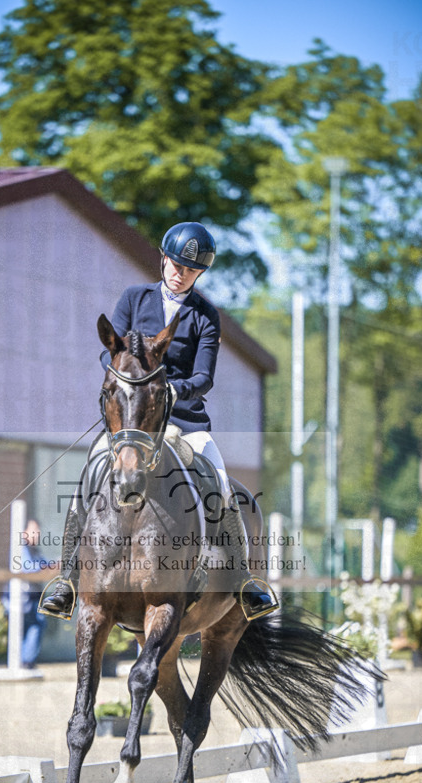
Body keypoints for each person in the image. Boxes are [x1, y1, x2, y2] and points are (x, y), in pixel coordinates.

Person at [40, 221, 277, 621]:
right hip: (134, 419)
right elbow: (110, 353)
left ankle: (243, 580)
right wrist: (131, 382)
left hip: (183, 420)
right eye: (176, 265)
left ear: (199, 274)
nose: (181, 274)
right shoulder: (134, 299)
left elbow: (204, 378)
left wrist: (170, 391)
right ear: (163, 259)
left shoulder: (205, 315)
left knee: (220, 482)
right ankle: (66, 580)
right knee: (88, 476)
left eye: (191, 270)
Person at [3, 518, 48, 668]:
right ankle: (25, 662)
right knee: (34, 625)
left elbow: (43, 564)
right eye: (34, 531)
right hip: (23, 599)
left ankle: (26, 662)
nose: (37, 534)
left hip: (32, 598)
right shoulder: (21, 549)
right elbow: (30, 569)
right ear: (24, 532)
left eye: (38, 531)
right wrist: (49, 568)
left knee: (35, 626)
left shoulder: (34, 550)